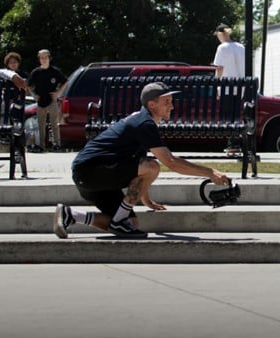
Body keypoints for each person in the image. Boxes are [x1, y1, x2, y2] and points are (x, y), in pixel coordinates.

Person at [54, 82, 231, 239]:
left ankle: (72, 215)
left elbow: (138, 165)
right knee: (153, 166)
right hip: (91, 170)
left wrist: (145, 199)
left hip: (91, 175)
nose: (172, 106)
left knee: (131, 225)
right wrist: (210, 172)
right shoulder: (144, 123)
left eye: (171, 101)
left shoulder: (142, 120)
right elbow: (170, 162)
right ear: (151, 104)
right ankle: (119, 220)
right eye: (166, 102)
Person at [29, 49, 67, 152]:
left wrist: (58, 93)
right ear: (39, 59)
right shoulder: (36, 72)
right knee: (41, 124)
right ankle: (42, 146)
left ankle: (57, 145)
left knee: (54, 124)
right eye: (41, 57)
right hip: (40, 101)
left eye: (46, 57)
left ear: (49, 58)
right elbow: (28, 85)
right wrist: (34, 95)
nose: (44, 59)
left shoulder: (55, 71)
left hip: (52, 100)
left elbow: (65, 82)